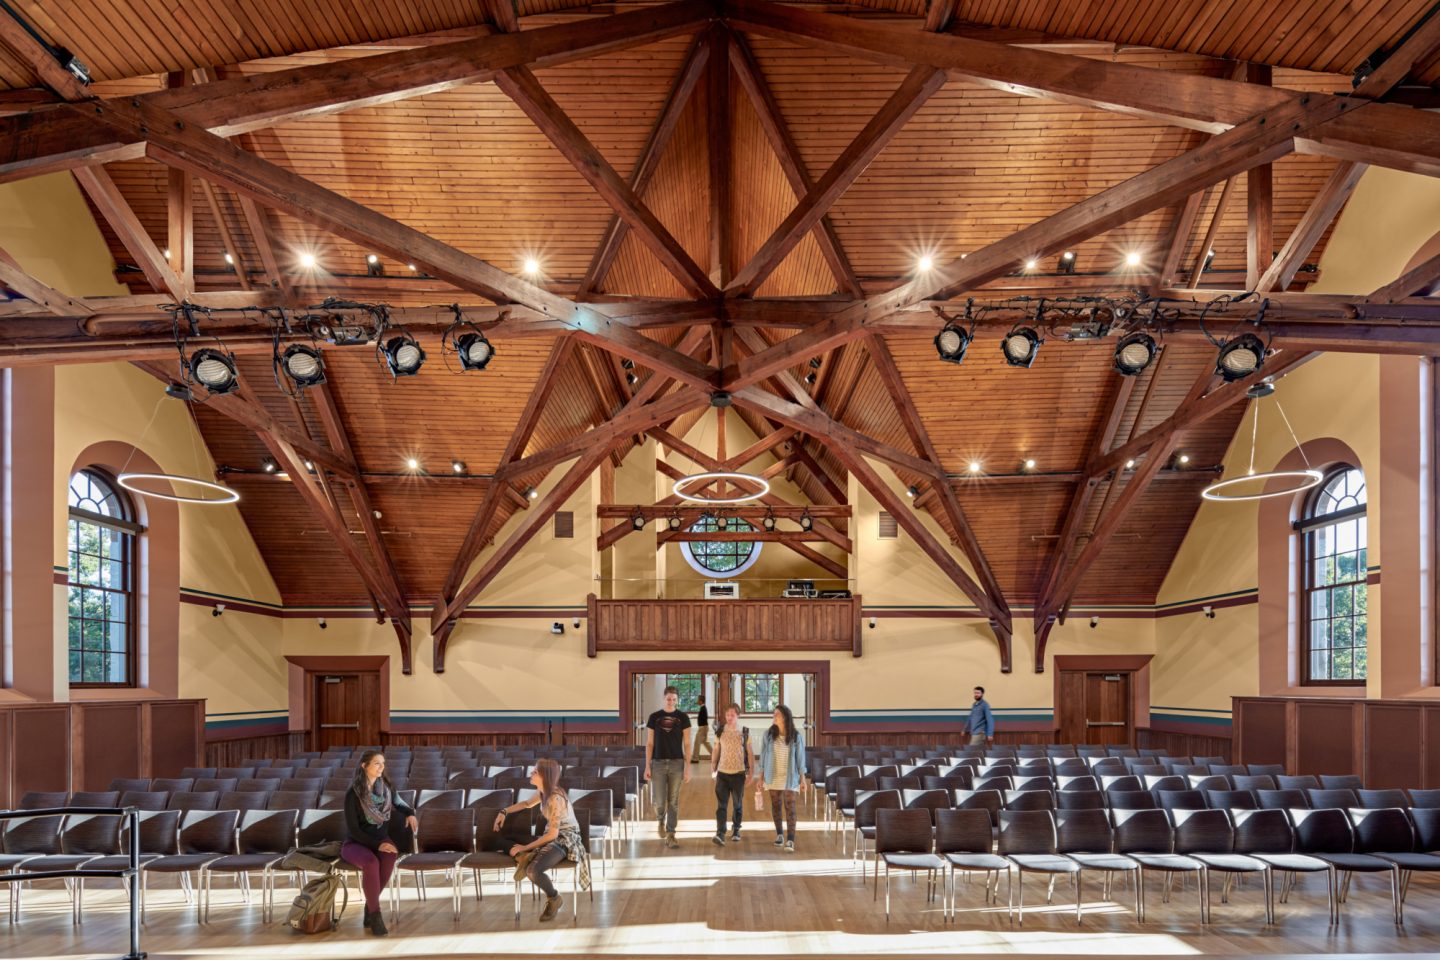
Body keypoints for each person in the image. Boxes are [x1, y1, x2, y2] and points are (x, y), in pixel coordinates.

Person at [493, 758, 590, 922]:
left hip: (565, 839)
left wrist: (524, 847)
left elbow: (553, 835)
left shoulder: (555, 798)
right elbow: (526, 804)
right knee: (500, 839)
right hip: (551, 837)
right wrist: (504, 811)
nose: (531, 773)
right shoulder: (543, 792)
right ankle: (524, 857)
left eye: (535, 772)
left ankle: (554, 898)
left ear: (545, 776)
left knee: (532, 871)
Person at [341, 750, 418, 936]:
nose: (381, 767)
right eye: (377, 763)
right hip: (356, 843)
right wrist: (377, 845)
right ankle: (375, 915)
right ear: (364, 766)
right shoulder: (353, 794)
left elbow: (401, 804)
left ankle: (370, 904)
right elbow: (354, 830)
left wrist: (410, 813)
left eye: (383, 763)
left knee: (390, 856)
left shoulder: (386, 788)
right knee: (371, 863)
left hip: (380, 839)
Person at [645, 685, 691, 848]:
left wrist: (688, 767)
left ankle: (671, 834)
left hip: (676, 763)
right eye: (668, 699)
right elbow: (650, 743)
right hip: (657, 763)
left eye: (674, 699)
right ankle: (660, 820)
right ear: (663, 698)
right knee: (659, 800)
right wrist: (647, 766)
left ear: (677, 700)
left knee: (673, 800)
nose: (671, 701)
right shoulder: (654, 717)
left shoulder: (683, 718)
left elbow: (686, 743)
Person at [757, 704, 805, 852]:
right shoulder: (768, 735)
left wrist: (802, 779)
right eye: (774, 714)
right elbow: (763, 758)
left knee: (790, 807)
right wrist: (760, 778)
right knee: (776, 805)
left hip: (790, 777)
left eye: (776, 714)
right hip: (773, 776)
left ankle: (790, 839)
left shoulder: (796, 736)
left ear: (784, 717)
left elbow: (800, 759)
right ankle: (779, 834)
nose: (774, 716)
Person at [710, 701, 755, 845]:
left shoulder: (745, 732)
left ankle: (736, 829)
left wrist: (751, 773)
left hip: (738, 773)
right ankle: (720, 833)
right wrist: (713, 767)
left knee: (737, 804)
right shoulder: (720, 731)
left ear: (738, 716)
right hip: (722, 773)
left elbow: (750, 752)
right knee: (721, 805)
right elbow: (716, 749)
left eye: (733, 715)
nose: (729, 717)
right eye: (727, 715)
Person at [692, 694, 710, 763]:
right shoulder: (703, 708)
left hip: (703, 728)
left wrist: (704, 729)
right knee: (705, 743)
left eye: (698, 700)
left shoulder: (703, 708)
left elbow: (704, 719)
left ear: (701, 701)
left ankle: (695, 759)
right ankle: (716, 756)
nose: (697, 701)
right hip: (703, 727)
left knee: (697, 742)